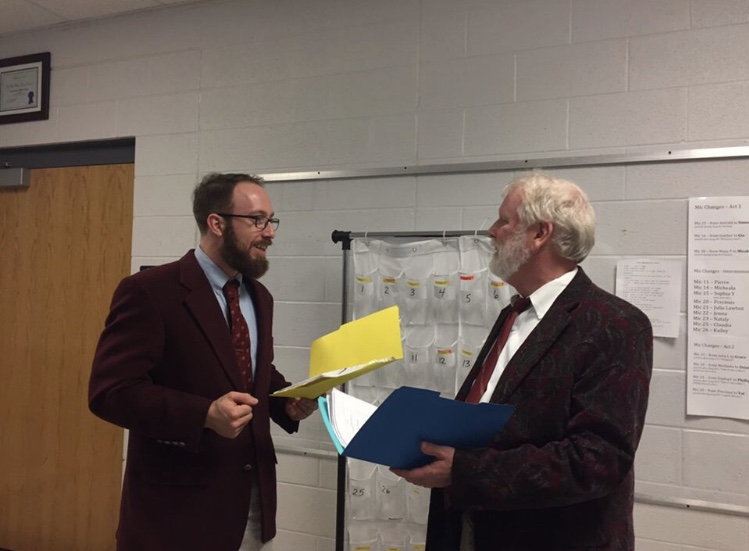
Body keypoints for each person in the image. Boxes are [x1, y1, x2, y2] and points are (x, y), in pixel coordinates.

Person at [393, 172, 653, 551]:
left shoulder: (615, 324)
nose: (491, 232)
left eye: (503, 221)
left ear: (539, 234)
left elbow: (599, 460)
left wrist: (465, 470)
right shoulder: (516, 314)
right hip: (473, 528)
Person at [89, 173, 317, 551]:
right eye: (257, 220)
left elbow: (248, 373)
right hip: (176, 514)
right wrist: (204, 414)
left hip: (253, 506)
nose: (270, 233)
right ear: (217, 223)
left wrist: (286, 403)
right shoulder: (150, 292)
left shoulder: (260, 297)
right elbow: (110, 392)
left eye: (271, 220)